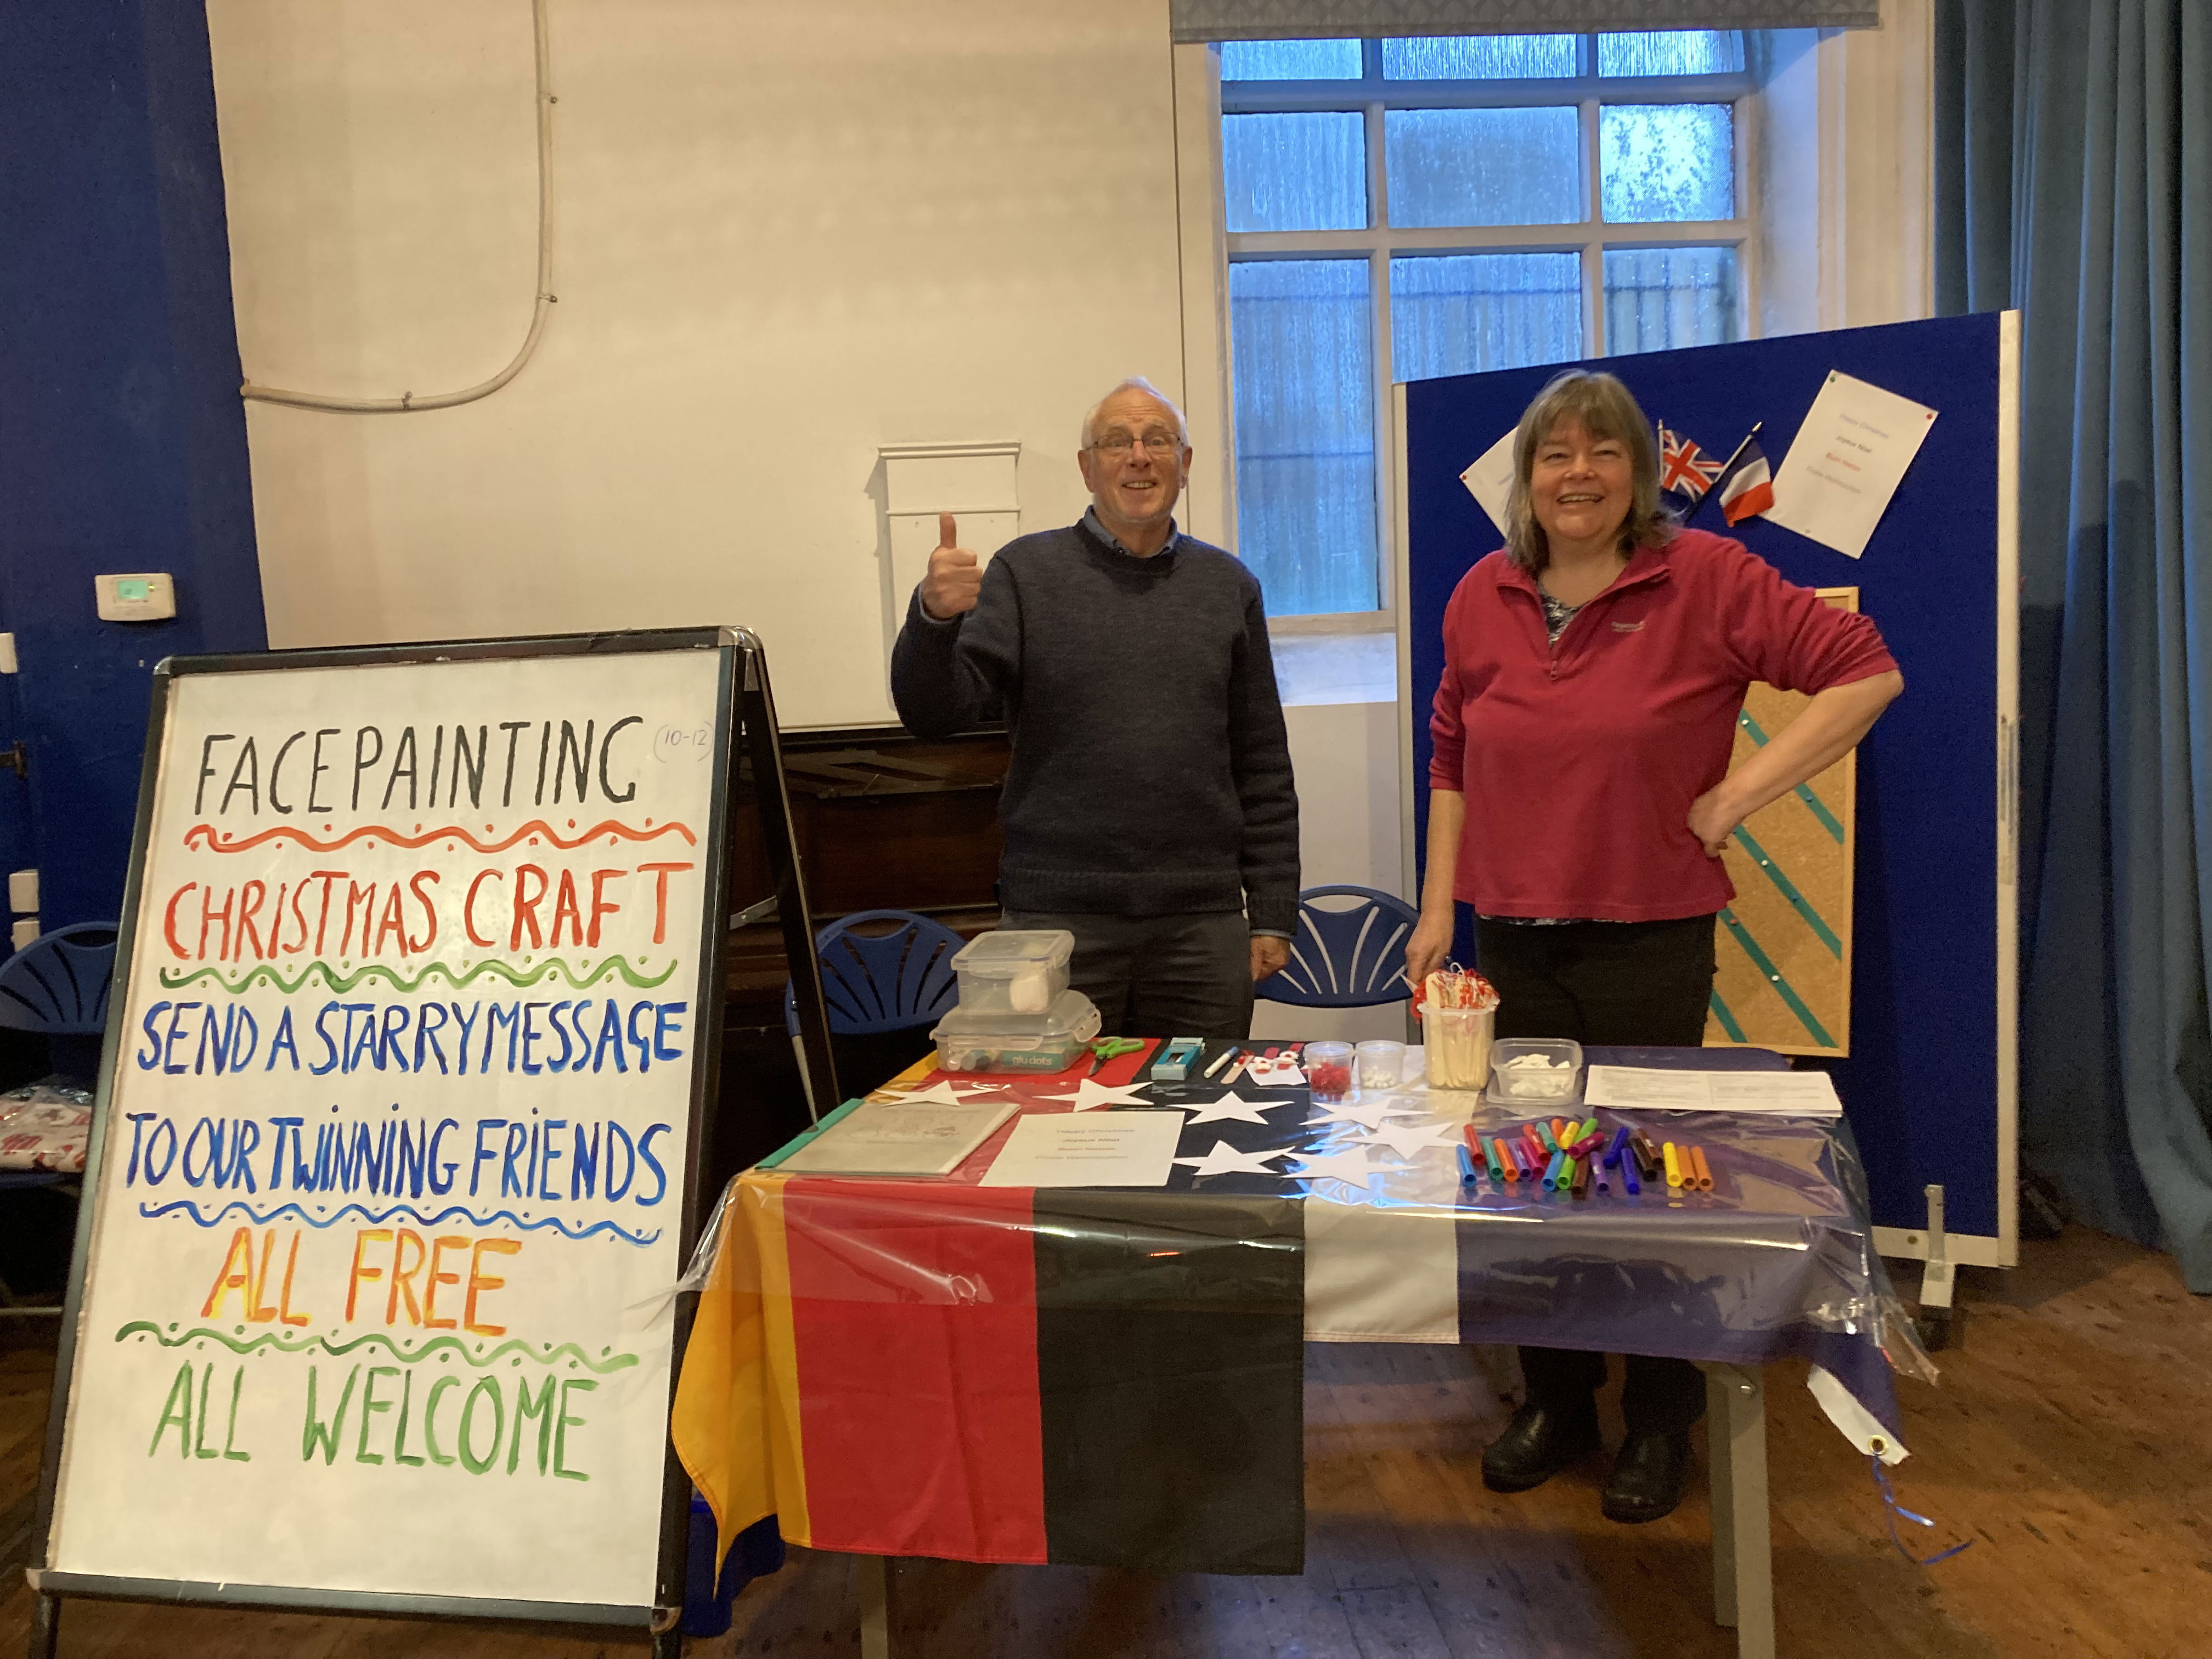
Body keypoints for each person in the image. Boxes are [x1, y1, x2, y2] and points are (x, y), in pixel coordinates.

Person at [1405, 369, 1904, 1523]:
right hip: (1512, 942)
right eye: (1553, 456)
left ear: (1637, 472)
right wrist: (1438, 912)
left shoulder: (1707, 578)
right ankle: (1557, 1399)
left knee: (1644, 1190)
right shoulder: (1481, 592)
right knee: (1530, 1186)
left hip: (1649, 939)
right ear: (1527, 481)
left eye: (1602, 452)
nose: (1576, 474)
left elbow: (1867, 670)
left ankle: (1660, 1417)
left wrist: (1739, 794)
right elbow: (1452, 760)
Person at [891, 377, 1297, 1037]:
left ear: (1184, 463)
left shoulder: (1229, 586)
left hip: (1203, 926)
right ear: (1088, 468)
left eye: (1157, 440)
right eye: (1116, 442)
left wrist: (1273, 910)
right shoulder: (1024, 574)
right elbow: (936, 715)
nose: (1138, 456)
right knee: (1058, 1127)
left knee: (1199, 1120)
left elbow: (1263, 761)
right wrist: (935, 620)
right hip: (1056, 927)